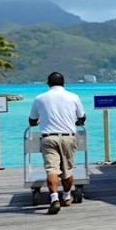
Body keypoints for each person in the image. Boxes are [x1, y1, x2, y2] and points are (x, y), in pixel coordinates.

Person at [29, 71, 86, 215]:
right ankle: (66, 196)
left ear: (48, 83)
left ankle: (54, 198)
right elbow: (82, 117)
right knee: (67, 170)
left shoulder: (40, 98)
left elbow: (32, 120)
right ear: (63, 83)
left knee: (51, 169)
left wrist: (40, 121)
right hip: (68, 137)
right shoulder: (73, 97)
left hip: (48, 138)